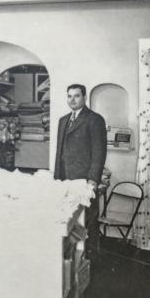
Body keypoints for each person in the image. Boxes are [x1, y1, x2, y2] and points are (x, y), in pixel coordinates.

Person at [53, 83, 107, 257]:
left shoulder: (94, 119)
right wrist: (57, 179)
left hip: (84, 180)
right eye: (69, 96)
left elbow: (99, 152)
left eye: (76, 96)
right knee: (70, 219)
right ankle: (74, 258)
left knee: (87, 220)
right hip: (65, 179)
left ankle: (91, 258)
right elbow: (59, 152)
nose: (72, 99)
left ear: (84, 97)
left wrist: (93, 180)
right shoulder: (63, 120)